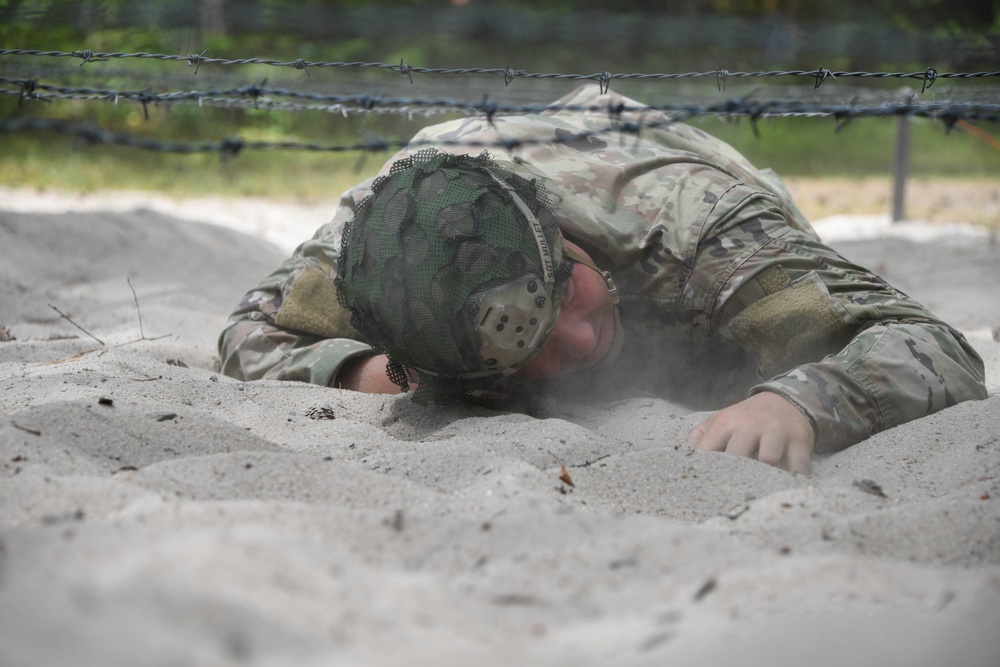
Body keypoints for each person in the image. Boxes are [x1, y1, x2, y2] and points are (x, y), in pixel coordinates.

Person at [218, 85, 988, 475]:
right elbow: (250, 329)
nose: (580, 340)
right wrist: (370, 372)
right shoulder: (385, 250)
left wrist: (799, 403)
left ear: (561, 234)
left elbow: (931, 345)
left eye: (565, 293)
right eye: (527, 348)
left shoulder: (701, 226)